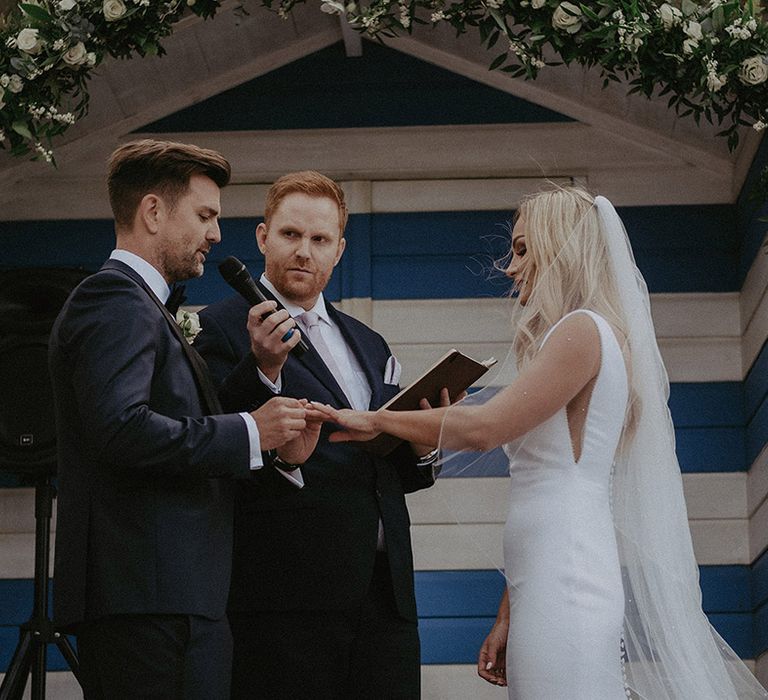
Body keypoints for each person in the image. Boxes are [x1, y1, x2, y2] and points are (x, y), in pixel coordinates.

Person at [311, 186, 768, 698]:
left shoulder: (582, 331)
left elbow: (486, 429)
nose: (510, 266)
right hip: (546, 579)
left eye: (524, 249)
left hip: (565, 583)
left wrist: (380, 421)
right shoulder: (581, 335)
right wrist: (511, 609)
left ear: (562, 249)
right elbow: (544, 495)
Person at [49, 140, 320, 700]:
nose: (216, 234)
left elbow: (180, 415)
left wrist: (263, 383)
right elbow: (121, 428)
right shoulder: (113, 299)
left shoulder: (146, 307)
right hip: (147, 599)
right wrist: (251, 432)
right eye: (205, 215)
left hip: (172, 595)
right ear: (152, 211)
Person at [194, 170, 441, 699]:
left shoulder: (369, 342)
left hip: (384, 594)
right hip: (284, 596)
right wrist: (262, 371)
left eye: (319, 239)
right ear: (263, 238)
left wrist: (423, 443)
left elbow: (388, 471)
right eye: (290, 235)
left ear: (339, 250)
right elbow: (210, 440)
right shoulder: (216, 326)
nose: (304, 251)